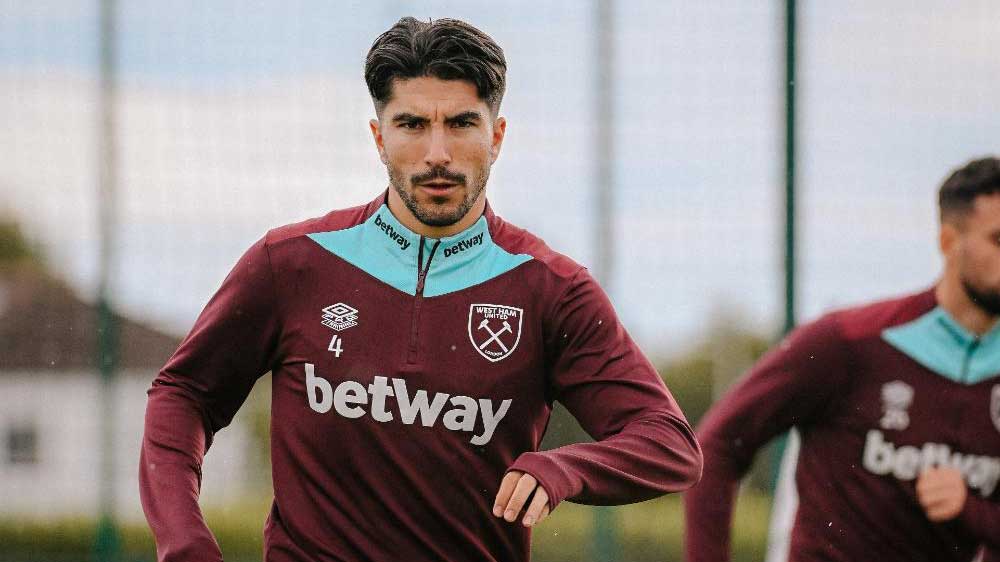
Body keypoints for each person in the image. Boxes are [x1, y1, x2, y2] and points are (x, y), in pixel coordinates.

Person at [140, 17, 702, 562]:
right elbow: (184, 394)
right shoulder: (292, 265)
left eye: (461, 124)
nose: (438, 153)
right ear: (379, 137)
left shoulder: (551, 290)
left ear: (497, 136)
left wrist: (562, 469)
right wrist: (185, 542)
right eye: (412, 125)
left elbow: (669, 444)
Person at [684, 156, 1000, 562]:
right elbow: (718, 443)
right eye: (998, 240)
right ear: (948, 243)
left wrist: (970, 509)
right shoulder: (849, 343)